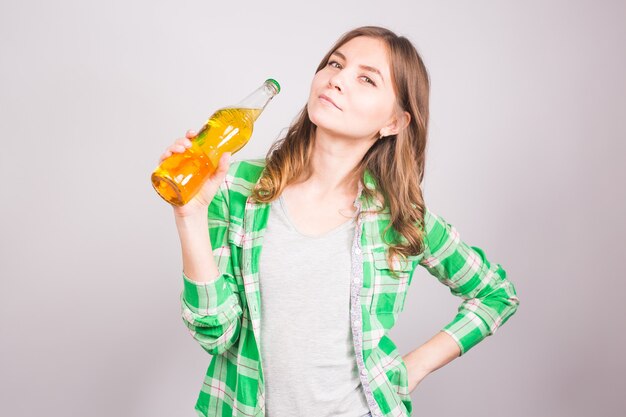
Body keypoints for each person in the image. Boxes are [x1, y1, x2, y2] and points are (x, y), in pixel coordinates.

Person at [159, 26, 520, 417]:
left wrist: (414, 367)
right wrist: (190, 217)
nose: (337, 80)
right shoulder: (235, 187)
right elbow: (215, 332)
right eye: (335, 64)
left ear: (395, 122)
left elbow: (497, 295)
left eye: (366, 78)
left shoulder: (401, 218)